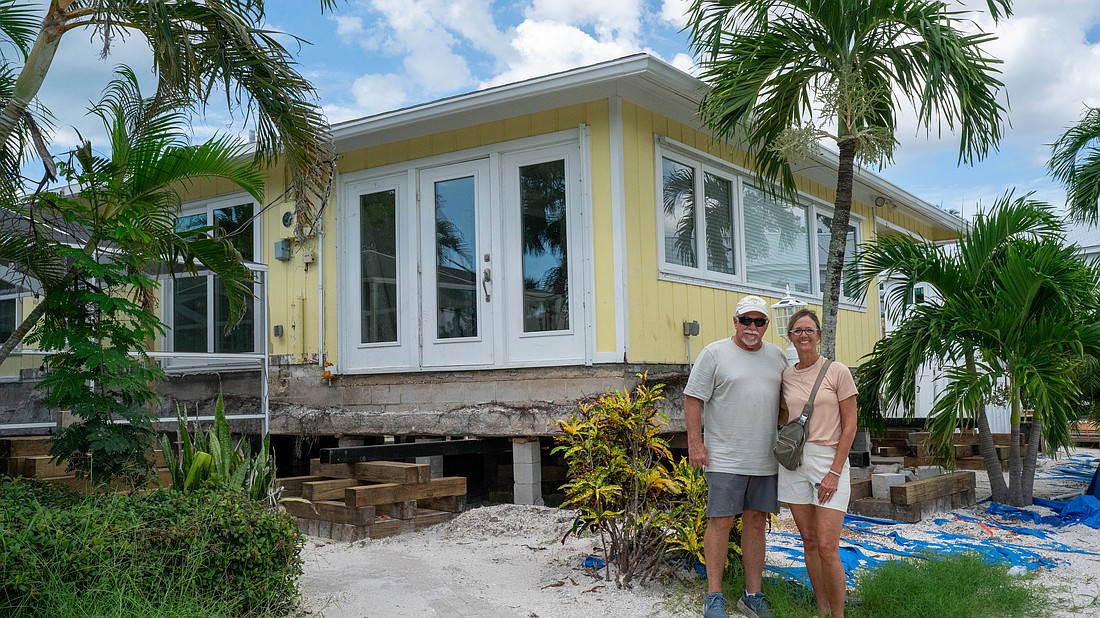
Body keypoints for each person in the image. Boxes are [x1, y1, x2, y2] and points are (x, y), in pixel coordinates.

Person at [685, 295, 787, 618]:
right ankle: (713, 596)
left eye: (759, 322)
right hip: (725, 458)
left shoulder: (778, 357)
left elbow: (785, 404)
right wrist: (694, 443)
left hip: (765, 459)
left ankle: (752, 595)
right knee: (721, 522)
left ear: (767, 326)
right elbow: (692, 398)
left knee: (756, 523)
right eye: (746, 320)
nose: (752, 327)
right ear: (735, 322)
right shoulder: (714, 354)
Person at [778, 309, 858, 617]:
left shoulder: (837, 371)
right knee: (809, 542)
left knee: (827, 545)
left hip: (829, 459)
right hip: (795, 461)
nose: (803, 335)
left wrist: (835, 471)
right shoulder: (786, 374)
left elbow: (850, 426)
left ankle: (838, 614)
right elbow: (784, 416)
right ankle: (822, 609)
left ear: (819, 335)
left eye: (809, 330)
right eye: (797, 330)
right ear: (790, 337)